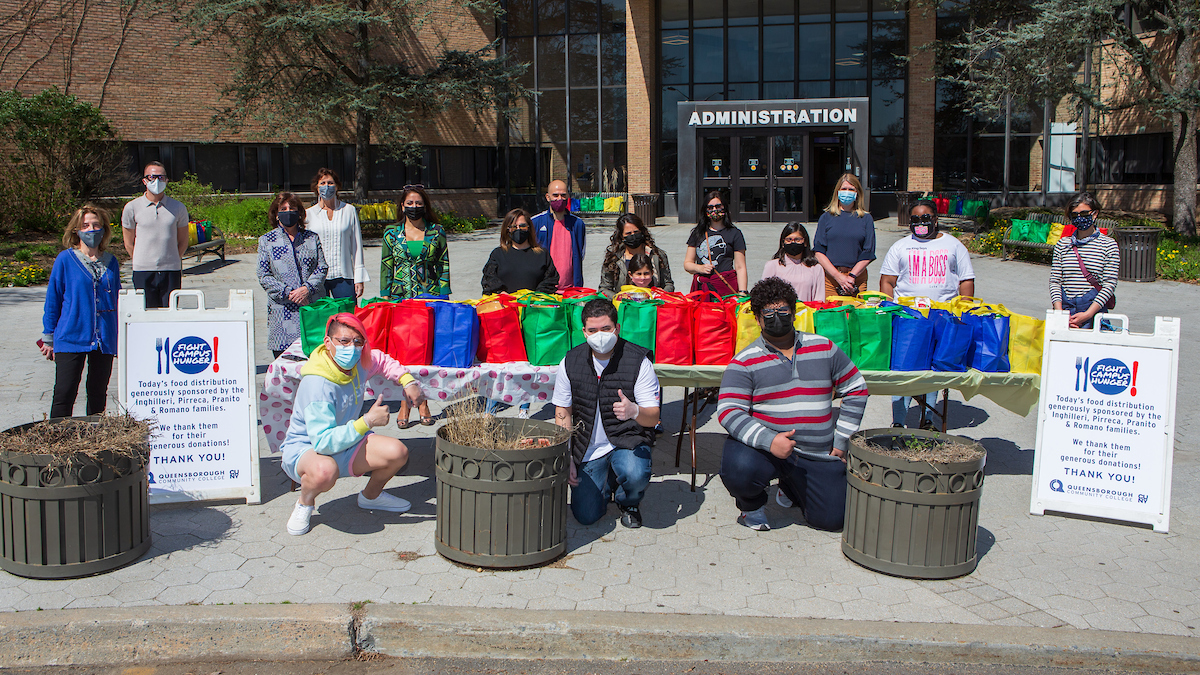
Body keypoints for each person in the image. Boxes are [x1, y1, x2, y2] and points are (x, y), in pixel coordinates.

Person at [717, 278, 868, 532]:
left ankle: (791, 488)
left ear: (794, 312)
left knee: (833, 521)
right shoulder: (744, 361)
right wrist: (769, 441)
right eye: (769, 313)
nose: (777, 318)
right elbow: (729, 411)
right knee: (739, 468)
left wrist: (842, 439)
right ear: (757, 319)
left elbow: (855, 387)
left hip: (817, 454)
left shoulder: (824, 348)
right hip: (766, 451)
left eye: (783, 311)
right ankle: (751, 506)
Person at [280, 313, 427, 536]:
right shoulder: (317, 383)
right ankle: (305, 502)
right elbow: (322, 443)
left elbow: (383, 361)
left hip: (345, 441)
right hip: (308, 448)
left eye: (358, 342)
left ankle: (371, 496)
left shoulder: (360, 362)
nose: (352, 347)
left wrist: (409, 381)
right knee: (324, 471)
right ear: (328, 342)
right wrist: (367, 421)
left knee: (398, 452)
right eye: (344, 341)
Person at [552, 299, 660, 529]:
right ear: (584, 332)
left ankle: (628, 501)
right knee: (586, 515)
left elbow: (653, 417)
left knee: (635, 472)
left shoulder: (638, 361)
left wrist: (635, 411)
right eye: (593, 330)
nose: (599, 335)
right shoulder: (570, 362)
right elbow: (563, 411)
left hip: (626, 441)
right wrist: (567, 454)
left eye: (606, 329)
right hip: (588, 448)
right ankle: (606, 482)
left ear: (617, 328)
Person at [879, 199, 975, 429]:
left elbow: (966, 280)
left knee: (934, 369)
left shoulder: (954, 246)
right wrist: (888, 310)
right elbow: (888, 281)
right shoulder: (900, 246)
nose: (920, 223)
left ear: (935, 219)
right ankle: (899, 422)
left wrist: (964, 311)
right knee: (902, 369)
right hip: (909, 317)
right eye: (915, 219)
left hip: (943, 316)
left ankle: (929, 420)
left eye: (925, 218)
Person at [41, 204, 121, 418]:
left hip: (103, 338)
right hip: (71, 334)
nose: (91, 230)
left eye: (96, 225)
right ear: (76, 230)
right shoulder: (65, 260)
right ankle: (59, 441)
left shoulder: (111, 262)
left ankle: (94, 442)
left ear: (104, 230)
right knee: (64, 393)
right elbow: (53, 299)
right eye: (85, 225)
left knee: (97, 394)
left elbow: (117, 299)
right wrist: (48, 337)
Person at [257, 192, 329, 359]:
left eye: (292, 208)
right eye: (283, 208)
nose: (288, 211)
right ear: (276, 214)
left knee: (314, 361)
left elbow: (322, 267)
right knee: (285, 367)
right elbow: (263, 275)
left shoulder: (311, 238)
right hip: (283, 312)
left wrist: (307, 289)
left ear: (299, 213)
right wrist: (290, 293)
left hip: (310, 308)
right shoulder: (267, 241)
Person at [121, 161, 189, 308]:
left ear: (167, 180)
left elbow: (183, 240)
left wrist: (173, 259)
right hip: (142, 271)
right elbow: (128, 242)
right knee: (146, 314)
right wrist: (141, 259)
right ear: (144, 181)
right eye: (152, 177)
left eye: (161, 177)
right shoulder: (132, 207)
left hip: (171, 270)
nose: (156, 181)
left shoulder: (178, 208)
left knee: (170, 314)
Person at [1049, 192, 1119, 330]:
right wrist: (1060, 314)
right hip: (1066, 309)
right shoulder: (1063, 244)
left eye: (1084, 213)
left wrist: (1087, 314)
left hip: (1093, 310)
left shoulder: (1108, 245)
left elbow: (1109, 284)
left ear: (1094, 214)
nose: (1079, 218)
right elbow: (1055, 280)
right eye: (1074, 215)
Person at [305, 168, 368, 300]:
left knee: (347, 316)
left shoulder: (348, 211)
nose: (326, 187)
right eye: (322, 183)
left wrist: (359, 277)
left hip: (343, 276)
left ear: (337, 186)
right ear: (316, 187)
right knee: (320, 317)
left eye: (330, 183)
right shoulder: (308, 214)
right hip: (317, 279)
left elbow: (356, 246)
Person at [381, 185, 450, 299]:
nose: (414, 206)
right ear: (403, 206)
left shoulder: (436, 231)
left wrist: (444, 293)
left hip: (430, 296)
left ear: (424, 207)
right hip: (400, 297)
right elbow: (386, 267)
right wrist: (385, 295)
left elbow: (443, 264)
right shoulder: (391, 233)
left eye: (418, 203)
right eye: (410, 203)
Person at [812, 174, 876, 298]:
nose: (847, 192)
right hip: (831, 278)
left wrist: (852, 276)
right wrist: (838, 276)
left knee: (856, 316)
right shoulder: (826, 217)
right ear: (837, 192)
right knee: (832, 316)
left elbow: (868, 252)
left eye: (851, 189)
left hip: (856, 278)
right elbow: (819, 251)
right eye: (844, 189)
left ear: (857, 193)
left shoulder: (866, 218)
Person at [481, 208, 559, 295]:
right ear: (507, 230)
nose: (518, 229)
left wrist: (535, 297)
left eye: (523, 226)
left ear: (529, 228)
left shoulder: (542, 254)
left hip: (534, 305)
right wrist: (501, 292)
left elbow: (550, 280)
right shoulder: (498, 254)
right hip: (506, 305)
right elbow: (489, 279)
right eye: (513, 227)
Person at [684, 191, 747, 295]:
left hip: (725, 288)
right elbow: (687, 263)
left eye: (718, 206)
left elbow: (740, 267)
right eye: (710, 207)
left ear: (724, 208)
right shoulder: (697, 233)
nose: (714, 210)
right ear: (705, 210)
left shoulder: (735, 233)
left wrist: (742, 292)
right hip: (702, 290)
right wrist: (699, 268)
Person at [598, 213, 674, 297]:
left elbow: (668, 284)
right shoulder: (613, 258)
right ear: (621, 236)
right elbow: (604, 289)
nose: (633, 236)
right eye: (628, 233)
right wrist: (618, 298)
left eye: (636, 232)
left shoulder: (657, 255)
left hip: (653, 306)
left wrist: (660, 294)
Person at [532, 180, 587, 291]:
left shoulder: (577, 224)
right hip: (544, 291)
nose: (559, 199)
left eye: (563, 195)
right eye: (555, 195)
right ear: (548, 197)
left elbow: (580, 254)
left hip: (570, 291)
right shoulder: (535, 222)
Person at [760, 222, 823, 302]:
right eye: (789, 240)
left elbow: (819, 299)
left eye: (798, 239)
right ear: (783, 243)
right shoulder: (772, 266)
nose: (793, 243)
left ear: (805, 242)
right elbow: (764, 296)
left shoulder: (816, 268)